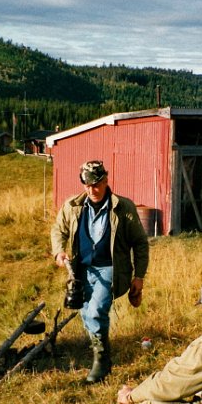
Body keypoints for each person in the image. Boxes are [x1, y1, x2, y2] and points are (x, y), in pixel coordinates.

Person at [51, 160, 150, 383]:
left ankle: (101, 362)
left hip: (110, 269)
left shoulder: (123, 207)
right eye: (87, 185)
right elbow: (59, 229)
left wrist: (139, 277)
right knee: (86, 313)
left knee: (96, 311)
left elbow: (140, 243)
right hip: (82, 270)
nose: (92, 190)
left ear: (106, 181)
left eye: (96, 184)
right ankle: (103, 355)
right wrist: (59, 252)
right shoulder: (73, 206)